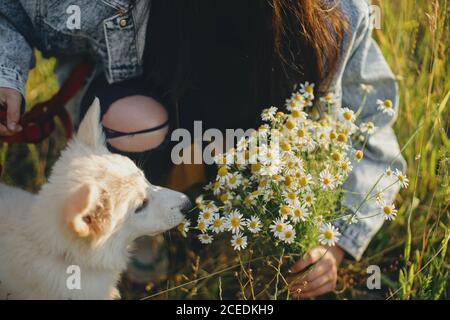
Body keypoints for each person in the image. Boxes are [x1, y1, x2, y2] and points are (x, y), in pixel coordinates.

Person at [0, 0, 406, 297]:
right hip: (146, 119)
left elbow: (374, 132)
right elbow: (11, 13)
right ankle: (140, 227)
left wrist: (336, 245)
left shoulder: (337, 13)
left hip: (255, 151)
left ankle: (233, 223)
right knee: (132, 121)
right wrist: (7, 76)